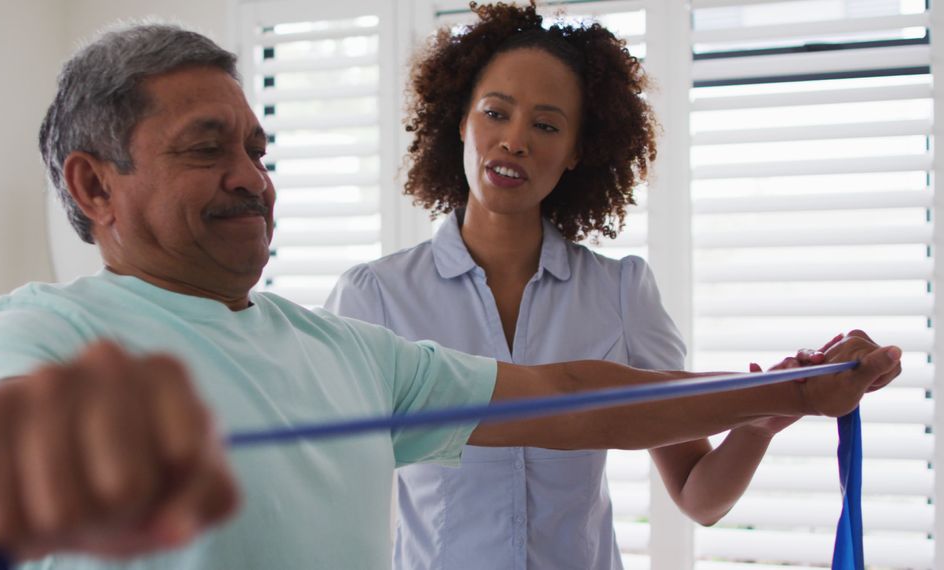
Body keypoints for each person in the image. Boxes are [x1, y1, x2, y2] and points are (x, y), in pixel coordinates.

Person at [0, 22, 902, 570]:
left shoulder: (348, 354)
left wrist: (786, 397)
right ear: (94, 187)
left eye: (257, 152)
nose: (250, 179)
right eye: (205, 149)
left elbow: (575, 396)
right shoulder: (44, 328)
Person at [324, 3, 861, 569]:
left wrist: (758, 426)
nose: (514, 141)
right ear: (461, 120)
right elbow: (327, 485)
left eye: (546, 125)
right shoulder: (374, 297)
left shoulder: (621, 292)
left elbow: (700, 497)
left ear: (579, 150)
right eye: (495, 112)